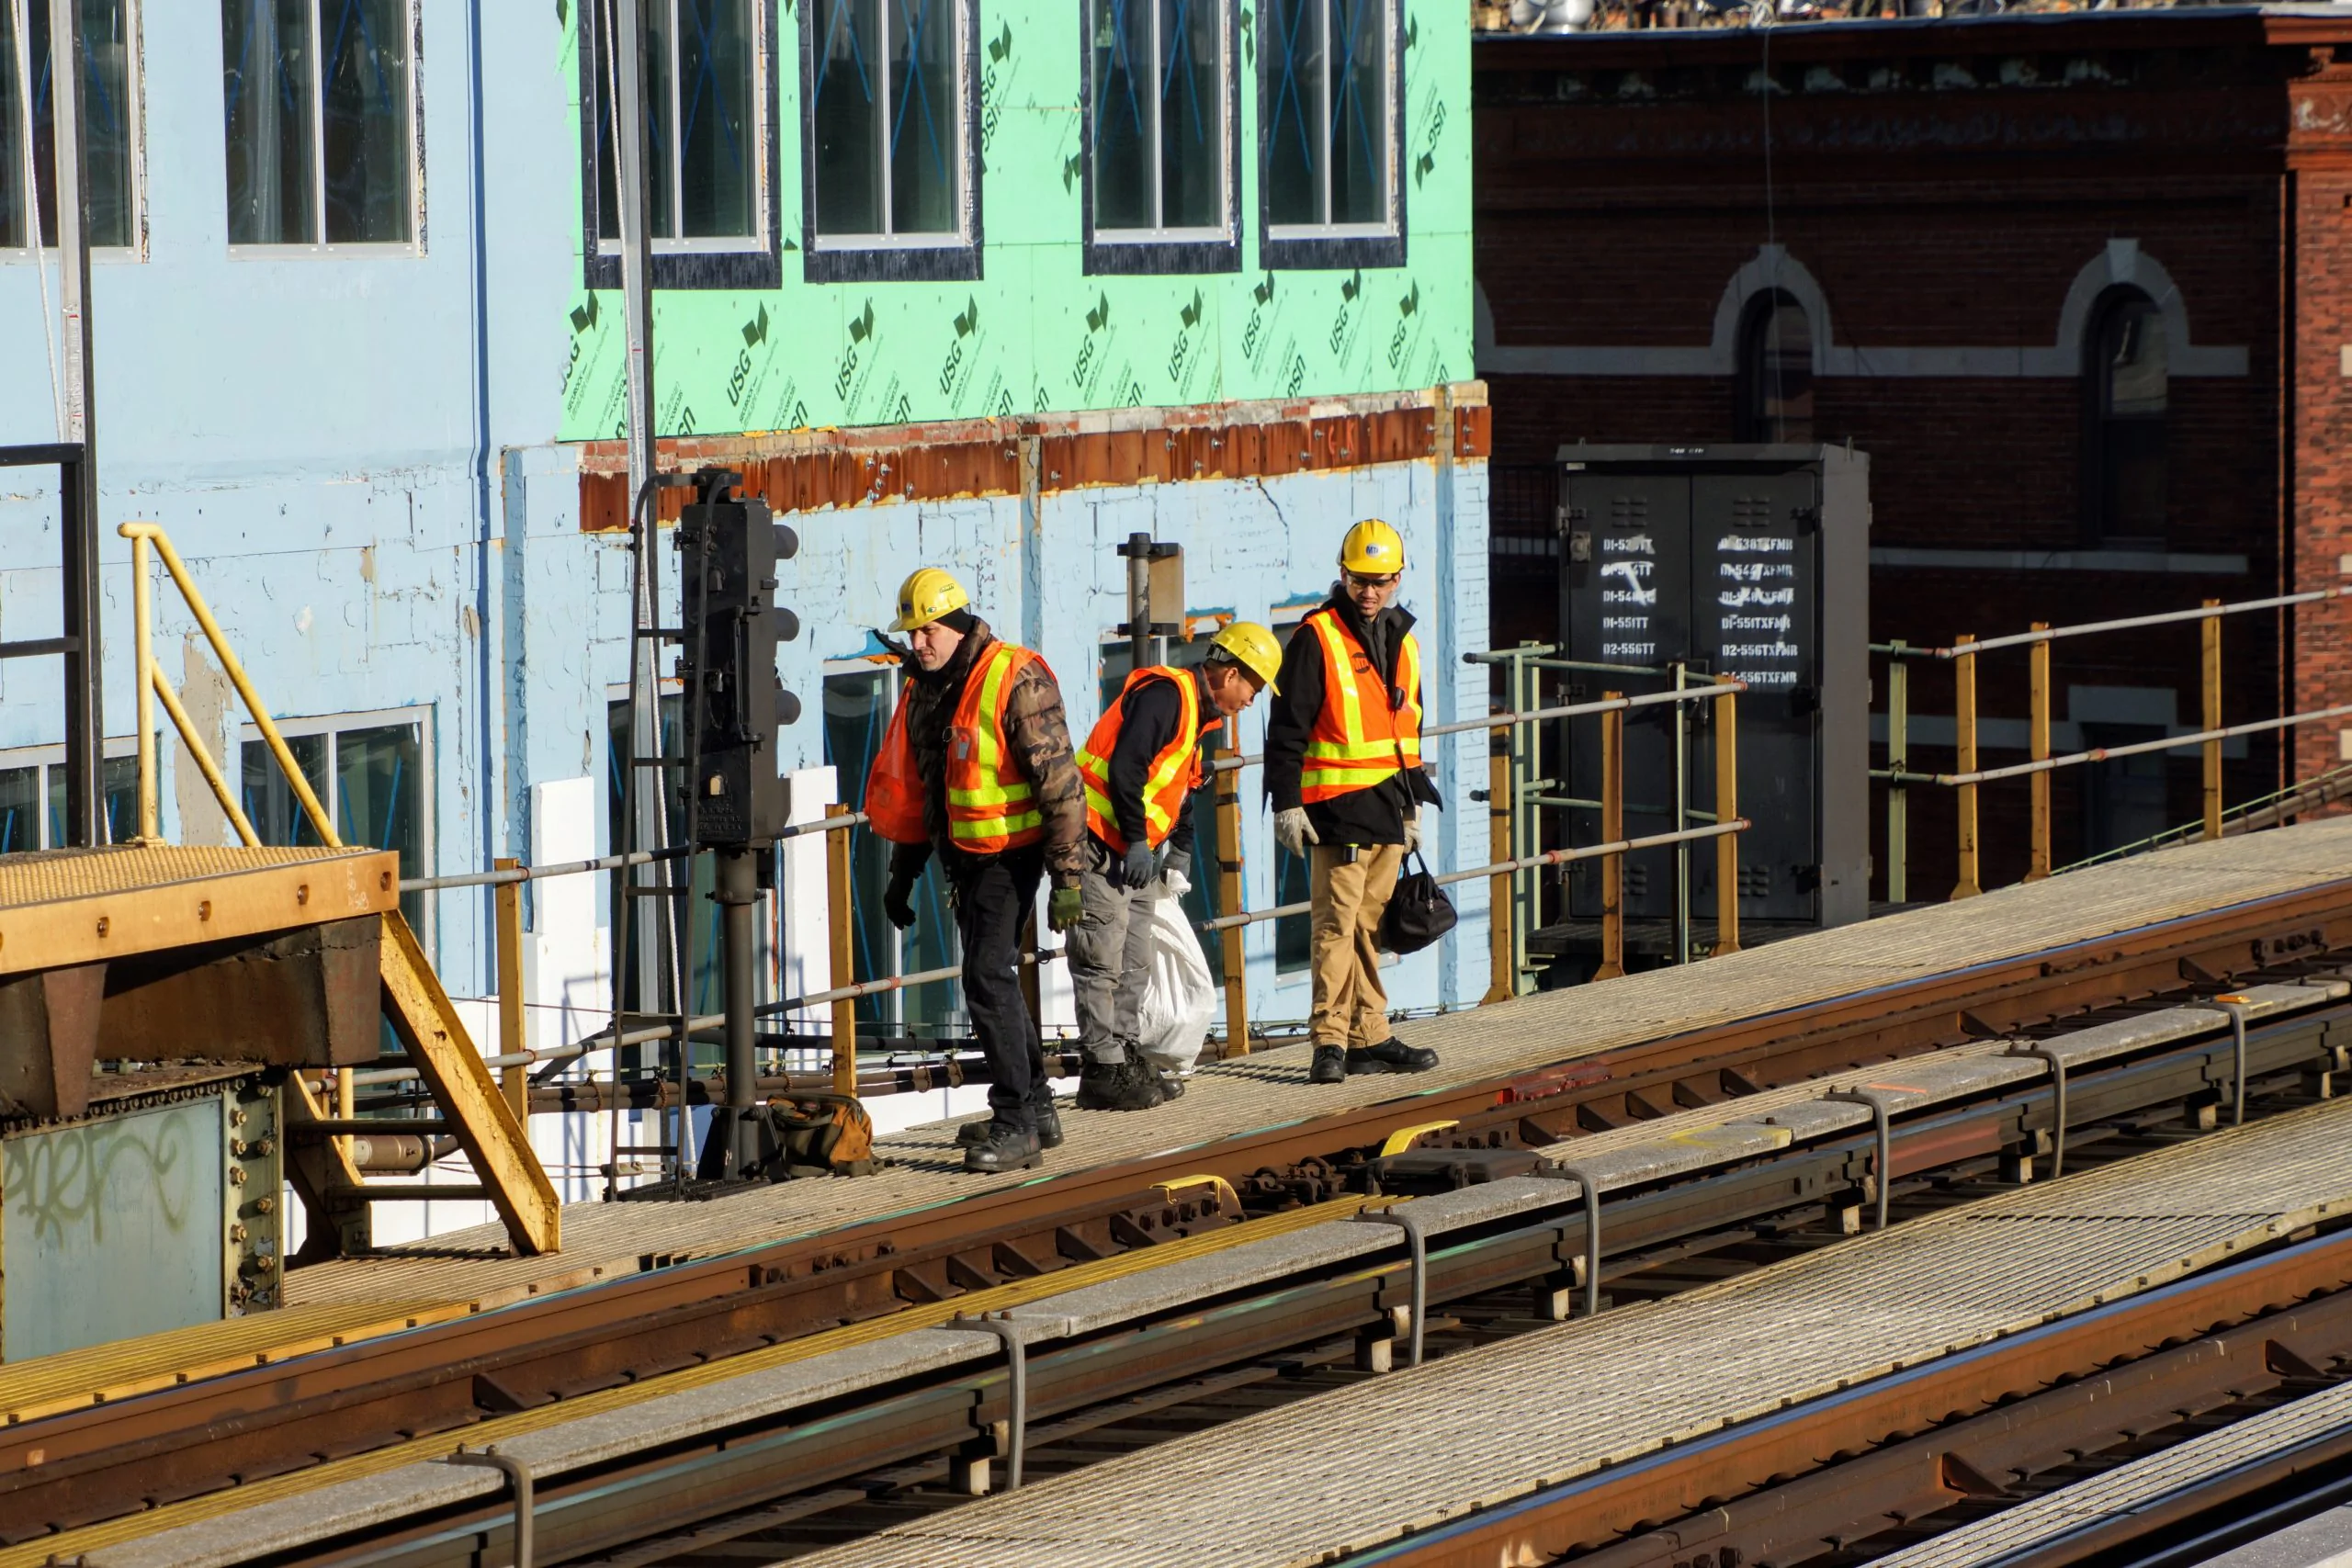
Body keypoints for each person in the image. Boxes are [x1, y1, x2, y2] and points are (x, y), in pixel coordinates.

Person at [865, 568, 1088, 1174]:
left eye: (928, 631)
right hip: (963, 857)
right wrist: (903, 871)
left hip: (1011, 855)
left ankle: (1017, 1122)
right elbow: (924, 791)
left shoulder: (1015, 675)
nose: (918, 644)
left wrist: (1069, 880)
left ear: (959, 626)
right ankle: (1035, 1106)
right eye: (911, 634)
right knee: (994, 980)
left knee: (987, 976)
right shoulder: (925, 688)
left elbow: (1061, 784)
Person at [1069, 623, 1283, 1110]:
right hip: (1102, 841)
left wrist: (1179, 847)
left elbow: (1178, 787)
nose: (1252, 701)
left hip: (1134, 851)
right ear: (1230, 674)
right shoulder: (1168, 696)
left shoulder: (1197, 716)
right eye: (1253, 688)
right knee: (1100, 955)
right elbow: (1127, 768)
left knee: (1135, 959)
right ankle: (1101, 1069)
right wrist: (1139, 841)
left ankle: (1123, 1052)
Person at [1262, 519, 1443, 1086]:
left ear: (1397, 579)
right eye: (1361, 580)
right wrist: (1287, 804)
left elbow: (1407, 731)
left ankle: (1371, 1034)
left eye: (1381, 581)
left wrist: (1411, 807)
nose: (1370, 591)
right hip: (1338, 810)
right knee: (1336, 926)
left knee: (1368, 927)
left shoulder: (1404, 641)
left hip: (1388, 806)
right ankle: (1329, 1042)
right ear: (1343, 575)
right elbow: (1287, 728)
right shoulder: (1317, 637)